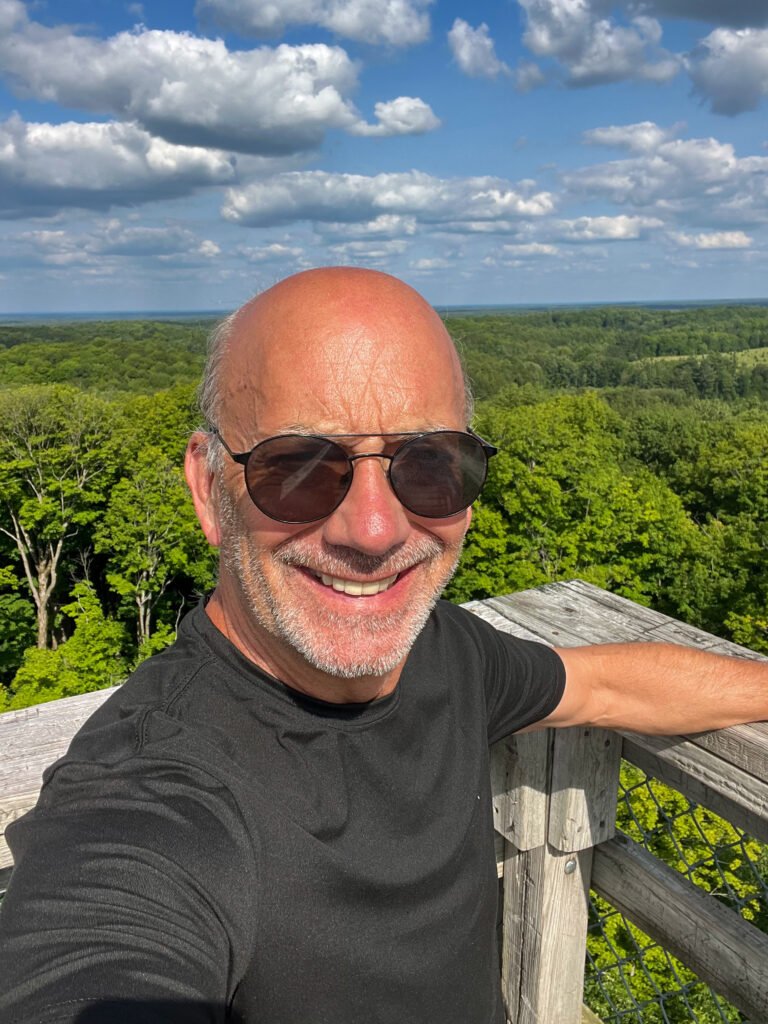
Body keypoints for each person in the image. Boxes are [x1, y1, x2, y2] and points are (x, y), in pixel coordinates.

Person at [0, 267, 766, 1024]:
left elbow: (605, 685)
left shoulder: (448, 653)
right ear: (208, 488)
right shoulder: (153, 786)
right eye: (299, 467)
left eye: (430, 464)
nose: (374, 530)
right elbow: (91, 954)